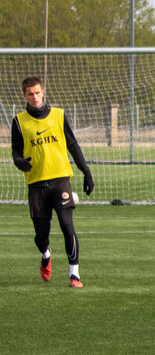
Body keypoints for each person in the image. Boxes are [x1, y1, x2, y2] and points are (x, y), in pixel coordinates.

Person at [11, 76, 95, 288]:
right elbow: (16, 150)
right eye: (30, 94)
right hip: (36, 184)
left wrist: (86, 171)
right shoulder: (18, 122)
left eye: (38, 92)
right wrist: (18, 161)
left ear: (43, 92)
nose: (35, 97)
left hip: (60, 180)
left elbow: (73, 145)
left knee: (67, 225)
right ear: (24, 96)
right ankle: (46, 253)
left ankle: (74, 275)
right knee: (41, 235)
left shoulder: (58, 115)